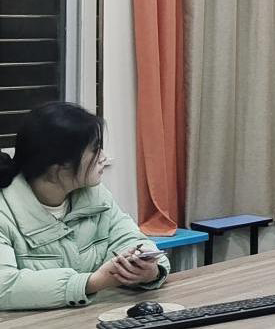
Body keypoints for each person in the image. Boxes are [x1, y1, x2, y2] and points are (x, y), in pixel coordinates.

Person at [0, 103, 170, 310]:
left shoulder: (95, 194)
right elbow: (4, 287)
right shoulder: (5, 211)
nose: (104, 157)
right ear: (59, 167)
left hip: (95, 315)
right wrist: (91, 283)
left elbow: (131, 240)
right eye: (95, 150)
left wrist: (150, 271)